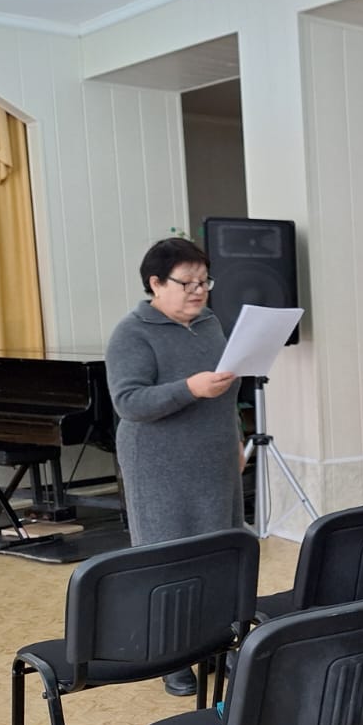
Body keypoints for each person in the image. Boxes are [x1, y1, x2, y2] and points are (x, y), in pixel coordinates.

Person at [105, 237, 243, 697]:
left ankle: (217, 644)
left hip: (215, 459)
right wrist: (189, 388)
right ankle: (172, 658)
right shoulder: (132, 333)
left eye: (204, 282)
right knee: (170, 561)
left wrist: (236, 438)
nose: (199, 291)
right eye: (188, 283)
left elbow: (225, 393)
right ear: (156, 283)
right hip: (160, 467)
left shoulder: (209, 323)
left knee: (220, 554)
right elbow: (129, 402)